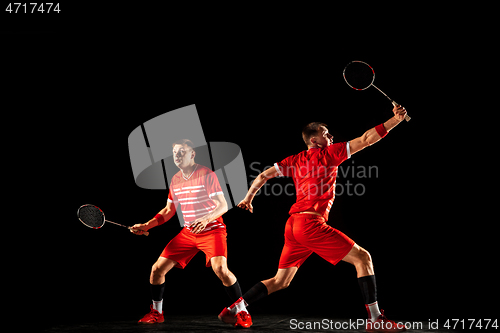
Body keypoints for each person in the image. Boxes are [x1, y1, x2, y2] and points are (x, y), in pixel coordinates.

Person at [218, 105, 408, 332]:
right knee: (363, 258)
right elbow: (366, 139)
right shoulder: (329, 154)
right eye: (326, 134)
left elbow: (263, 174)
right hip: (310, 225)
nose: (331, 136)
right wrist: (395, 120)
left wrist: (249, 198)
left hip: (293, 226)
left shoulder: (295, 160)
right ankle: (375, 320)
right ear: (315, 141)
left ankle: (235, 309)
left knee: (281, 281)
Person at [130, 139, 247, 324]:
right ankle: (157, 313)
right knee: (156, 270)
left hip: (212, 230)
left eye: (182, 152)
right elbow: (168, 211)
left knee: (221, 269)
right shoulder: (175, 179)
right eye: (175, 152)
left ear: (192, 154)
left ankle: (242, 312)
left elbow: (223, 204)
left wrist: (207, 219)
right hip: (189, 232)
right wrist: (146, 225)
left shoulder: (206, 174)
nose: (177, 155)